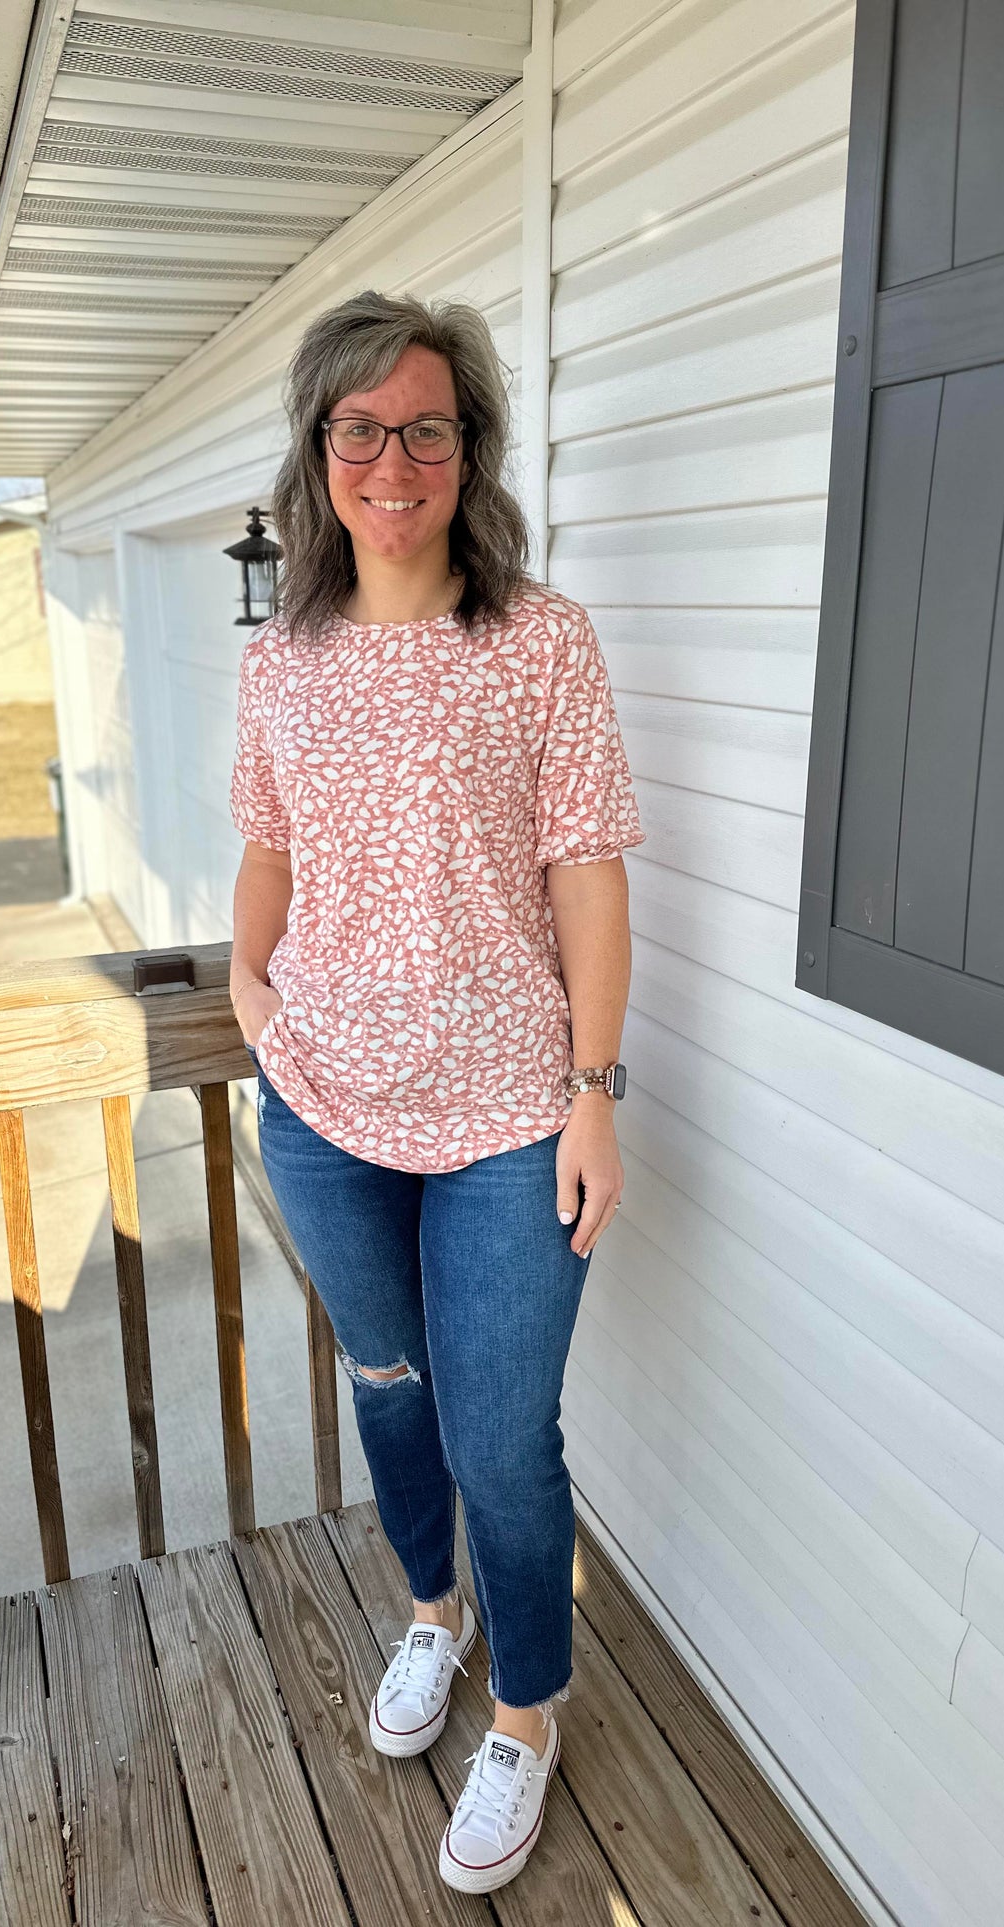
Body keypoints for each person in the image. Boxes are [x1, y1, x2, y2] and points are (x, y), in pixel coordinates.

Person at [227, 288, 644, 1895]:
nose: (390, 458)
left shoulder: (537, 639)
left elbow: (587, 876)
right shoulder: (285, 661)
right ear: (316, 454)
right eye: (358, 428)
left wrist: (593, 1092)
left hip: (506, 1121)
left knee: (504, 1437)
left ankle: (526, 1713)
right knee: (386, 1380)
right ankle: (430, 1614)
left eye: (424, 426)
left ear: (466, 452)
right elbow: (267, 846)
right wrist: (256, 994)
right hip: (324, 1106)